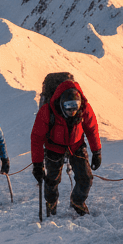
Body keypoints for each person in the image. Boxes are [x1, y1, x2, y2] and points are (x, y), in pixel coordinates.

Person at [31, 78, 102, 217]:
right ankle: (51, 202)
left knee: (86, 178)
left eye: (75, 106)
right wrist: (37, 165)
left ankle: (77, 201)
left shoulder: (84, 108)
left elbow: (92, 129)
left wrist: (96, 151)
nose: (72, 111)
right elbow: (37, 138)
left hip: (76, 146)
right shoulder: (47, 111)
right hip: (53, 147)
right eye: (68, 107)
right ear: (62, 103)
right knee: (51, 180)